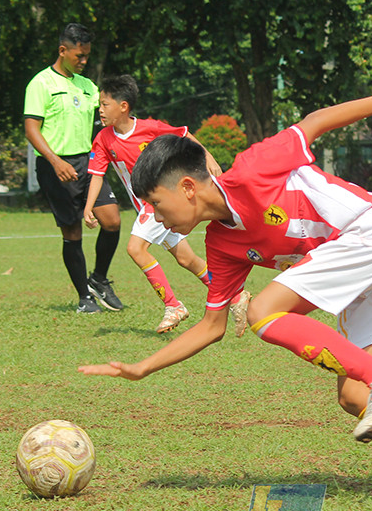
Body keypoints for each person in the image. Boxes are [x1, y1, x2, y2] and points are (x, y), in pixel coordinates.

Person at [80, 72, 372, 499]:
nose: (155, 217)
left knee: (262, 309)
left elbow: (313, 123)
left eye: (156, 204)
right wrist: (142, 368)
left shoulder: (252, 168)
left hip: (371, 230)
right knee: (355, 397)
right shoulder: (221, 244)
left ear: (189, 187)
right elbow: (212, 326)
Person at [83, 75, 250, 335]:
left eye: (104, 104)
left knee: (136, 249)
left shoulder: (150, 127)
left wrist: (208, 156)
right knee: (187, 259)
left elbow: (183, 135)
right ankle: (236, 296)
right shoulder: (103, 139)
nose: (100, 110)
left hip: (159, 204)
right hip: (149, 209)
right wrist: (89, 206)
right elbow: (96, 173)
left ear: (123, 106)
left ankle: (173, 305)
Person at [23, 23, 125, 314]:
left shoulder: (86, 85)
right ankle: (85, 298)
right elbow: (31, 129)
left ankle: (99, 279)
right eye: (79, 56)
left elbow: (107, 112)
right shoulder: (41, 83)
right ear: (62, 51)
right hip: (55, 166)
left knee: (113, 221)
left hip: (87, 163)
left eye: (87, 56)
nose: (84, 61)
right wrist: (56, 161)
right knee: (72, 232)